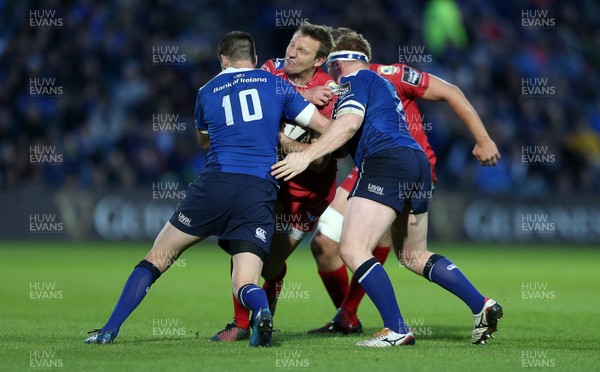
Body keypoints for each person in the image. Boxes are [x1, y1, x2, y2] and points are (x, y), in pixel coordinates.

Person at [83, 31, 330, 348]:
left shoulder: (207, 91)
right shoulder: (277, 85)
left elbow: (204, 139)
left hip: (216, 184)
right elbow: (324, 128)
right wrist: (299, 146)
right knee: (245, 281)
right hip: (260, 191)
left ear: (223, 60)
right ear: (254, 60)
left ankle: (108, 330)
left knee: (157, 258)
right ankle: (263, 310)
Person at [273, 33, 502, 347]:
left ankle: (395, 329)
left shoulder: (356, 79)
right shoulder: (381, 81)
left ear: (338, 61)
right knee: (413, 255)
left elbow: (350, 123)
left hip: (385, 162)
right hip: (416, 162)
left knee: (352, 248)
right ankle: (482, 305)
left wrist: (306, 156)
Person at [210, 22, 339, 342]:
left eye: (302, 51)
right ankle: (241, 324)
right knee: (244, 247)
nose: (291, 54)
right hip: (267, 181)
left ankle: (341, 315)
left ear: (319, 61)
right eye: (292, 45)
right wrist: (301, 95)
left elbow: (320, 158)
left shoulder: (330, 92)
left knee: (270, 264)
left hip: (306, 191)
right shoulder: (270, 69)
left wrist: (279, 137)